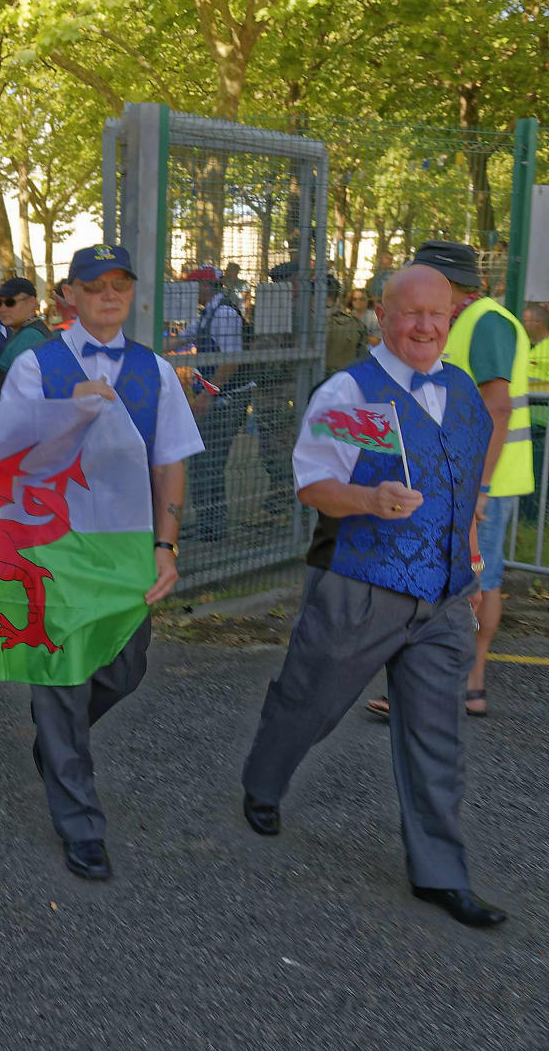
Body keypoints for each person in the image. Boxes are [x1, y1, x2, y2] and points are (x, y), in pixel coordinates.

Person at [239, 264, 506, 929]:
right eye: (409, 313)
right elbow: (315, 483)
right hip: (362, 584)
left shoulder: (462, 388)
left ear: (452, 318)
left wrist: (468, 545)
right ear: (381, 317)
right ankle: (263, 782)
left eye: (436, 314)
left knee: (437, 737)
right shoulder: (354, 393)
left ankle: (441, 873)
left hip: (442, 597)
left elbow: (466, 478)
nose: (423, 326)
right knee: (309, 702)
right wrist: (369, 499)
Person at [1, 243, 201, 880]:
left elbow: (169, 461)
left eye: (120, 283)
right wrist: (65, 413)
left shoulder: (155, 370)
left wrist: (165, 547)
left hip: (124, 545)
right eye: (95, 285)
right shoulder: (36, 367)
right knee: (62, 680)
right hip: (53, 545)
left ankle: (58, 739)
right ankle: (81, 823)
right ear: (71, 295)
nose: (109, 295)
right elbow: (6, 454)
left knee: (124, 669)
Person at [388, 241, 531, 721]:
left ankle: (458, 686)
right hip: (463, 477)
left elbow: (497, 406)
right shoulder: (467, 319)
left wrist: (480, 489)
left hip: (479, 481)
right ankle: (458, 686)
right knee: (464, 580)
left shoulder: (485, 322)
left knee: (473, 582)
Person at [168, 265, 245, 543]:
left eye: (192, 287)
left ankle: (213, 527)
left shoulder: (223, 313)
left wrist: (206, 394)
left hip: (226, 398)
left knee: (210, 461)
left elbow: (231, 360)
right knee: (203, 461)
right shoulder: (208, 313)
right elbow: (182, 338)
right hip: (215, 397)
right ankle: (207, 524)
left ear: (204, 287)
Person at [0, 278, 51, 399]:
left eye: (10, 302)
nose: (3, 309)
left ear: (32, 302)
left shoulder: (30, 337)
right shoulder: (26, 332)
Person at [524, 303, 549, 480]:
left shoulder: (546, 349)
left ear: (538, 322)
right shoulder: (531, 347)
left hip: (542, 423)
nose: (524, 324)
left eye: (527, 321)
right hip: (531, 419)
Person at [325, 276, 369, 373]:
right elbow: (362, 357)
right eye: (355, 299)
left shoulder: (309, 322)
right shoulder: (357, 324)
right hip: (347, 376)